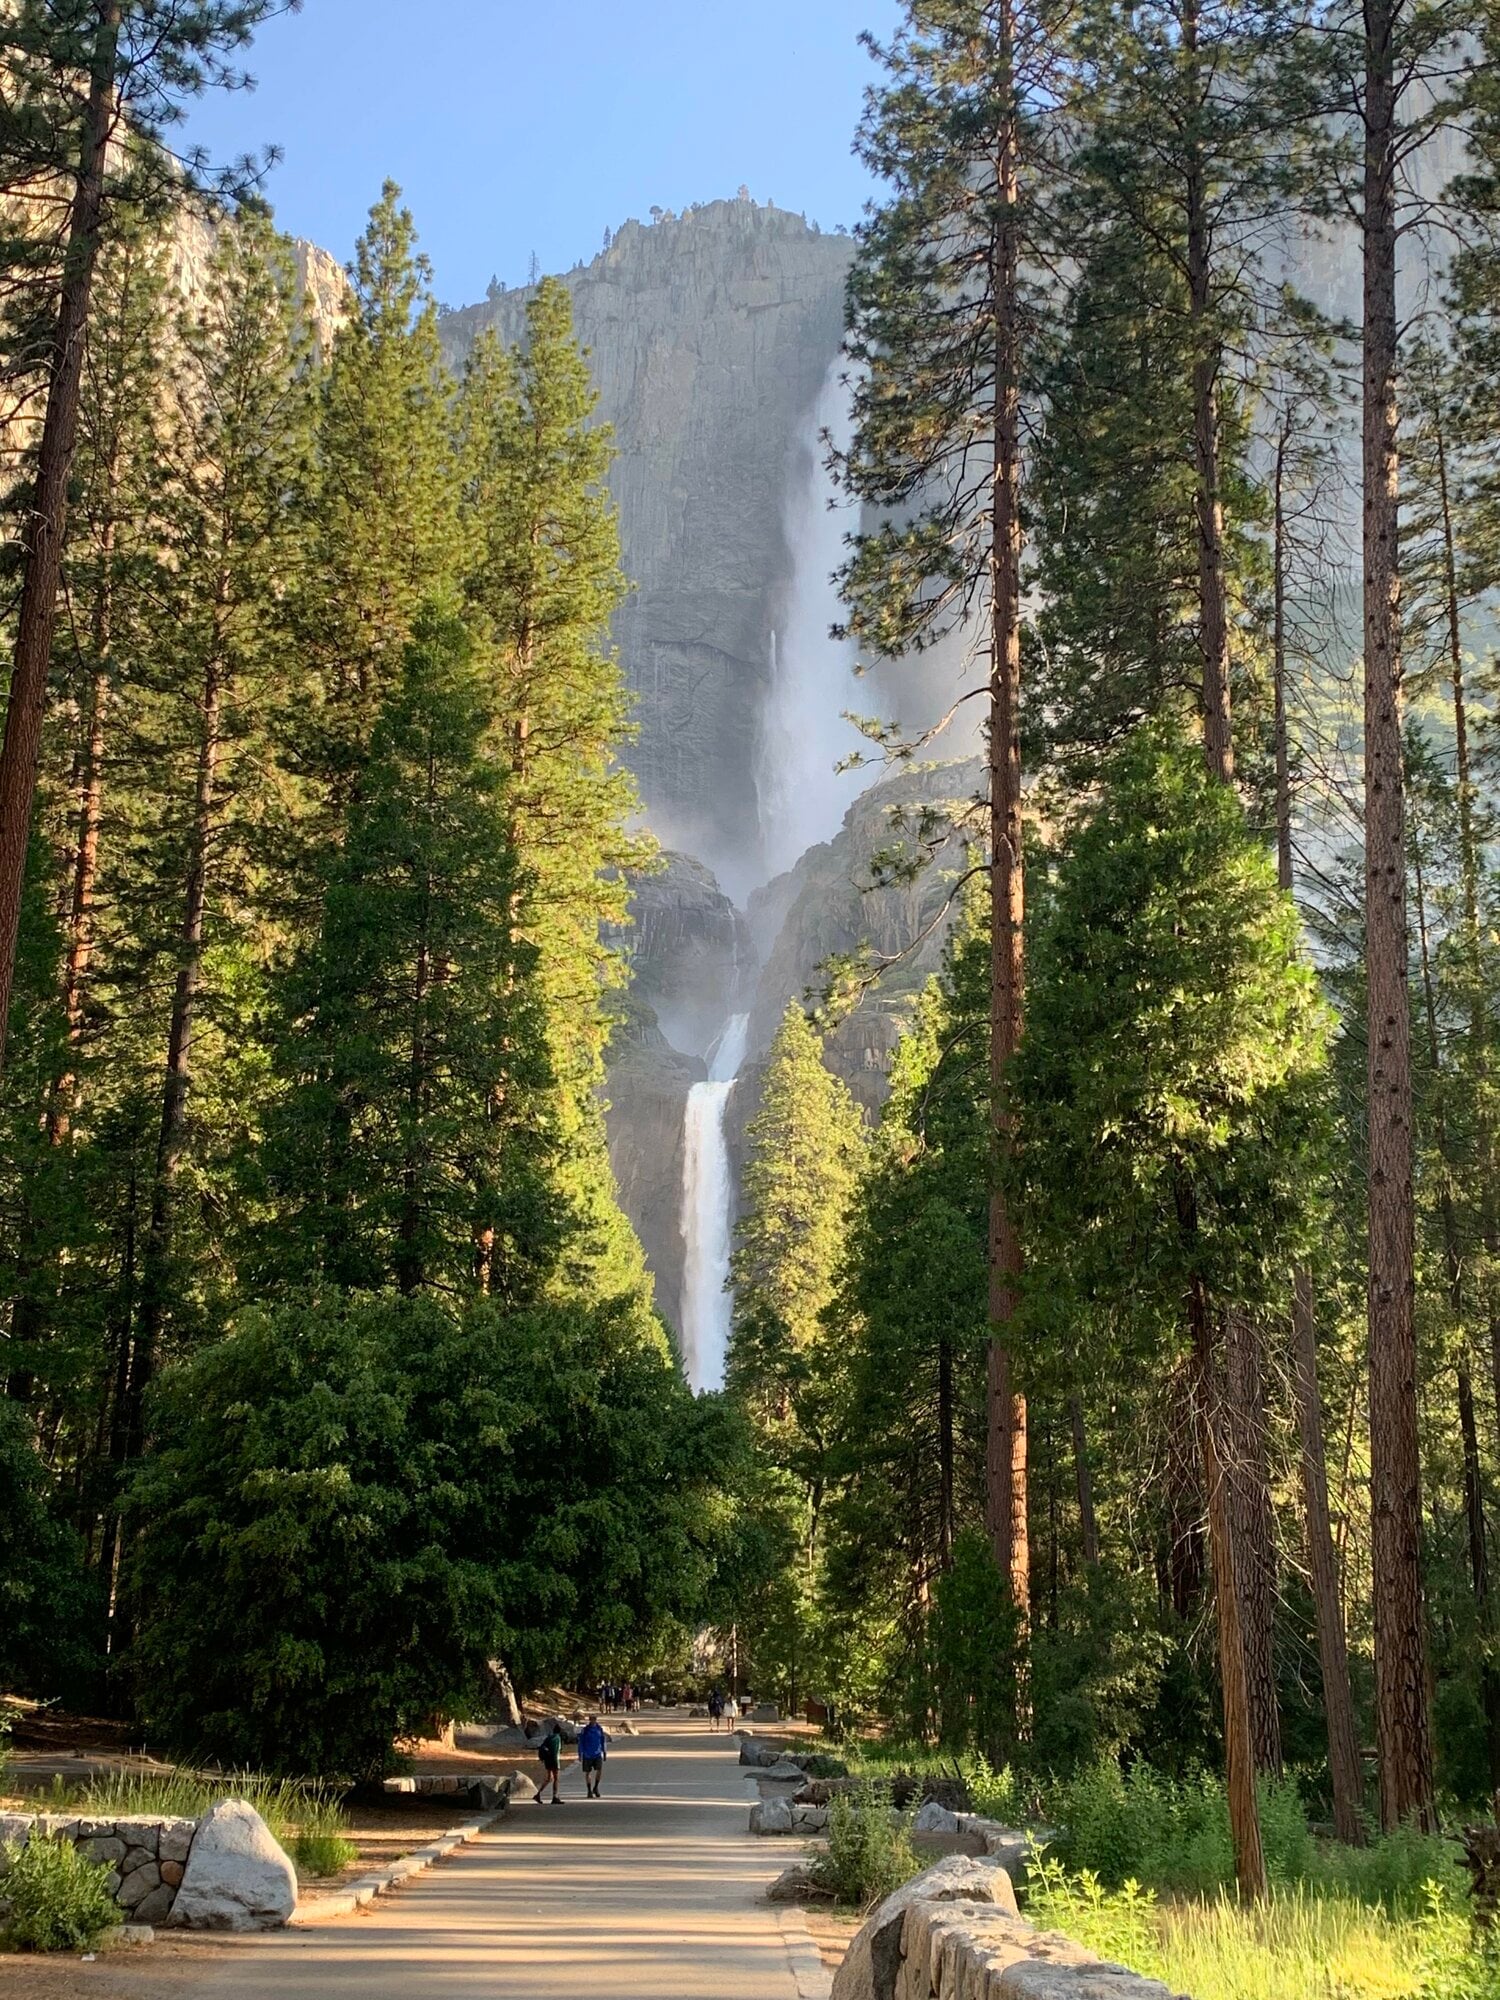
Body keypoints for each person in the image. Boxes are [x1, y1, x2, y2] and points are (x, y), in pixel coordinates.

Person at [535, 1719, 566, 1805]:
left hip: (547, 1760)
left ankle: (538, 1794)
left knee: (549, 1778)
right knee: (556, 1778)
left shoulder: (549, 1737)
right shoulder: (557, 1738)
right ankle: (555, 1797)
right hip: (554, 1760)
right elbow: (556, 1751)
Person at [578, 1713, 609, 1798]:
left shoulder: (599, 1729)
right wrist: (580, 1753)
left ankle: (595, 1787)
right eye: (591, 1719)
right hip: (587, 1754)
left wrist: (604, 1752)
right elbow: (581, 1742)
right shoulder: (585, 1730)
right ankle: (589, 1790)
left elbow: (603, 1741)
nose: (593, 1720)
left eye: (594, 1718)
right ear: (589, 1720)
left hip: (597, 1753)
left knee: (599, 1770)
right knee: (588, 1773)